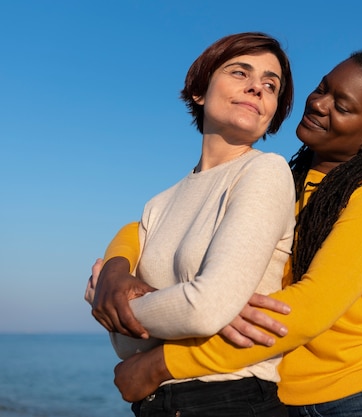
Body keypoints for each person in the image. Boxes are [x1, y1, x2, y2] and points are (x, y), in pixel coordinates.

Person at [90, 49, 362, 417]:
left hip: (360, 395)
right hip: (283, 394)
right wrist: (116, 269)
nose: (318, 103)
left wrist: (163, 363)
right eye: (322, 88)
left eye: (342, 106)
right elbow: (144, 227)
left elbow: (307, 309)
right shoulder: (287, 179)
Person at [85, 31, 297, 417]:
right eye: (239, 73)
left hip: (233, 399)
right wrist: (137, 302)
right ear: (200, 91)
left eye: (271, 85)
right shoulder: (158, 204)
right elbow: (126, 346)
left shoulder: (265, 171)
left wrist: (113, 303)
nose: (256, 88)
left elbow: (205, 309)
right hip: (154, 403)